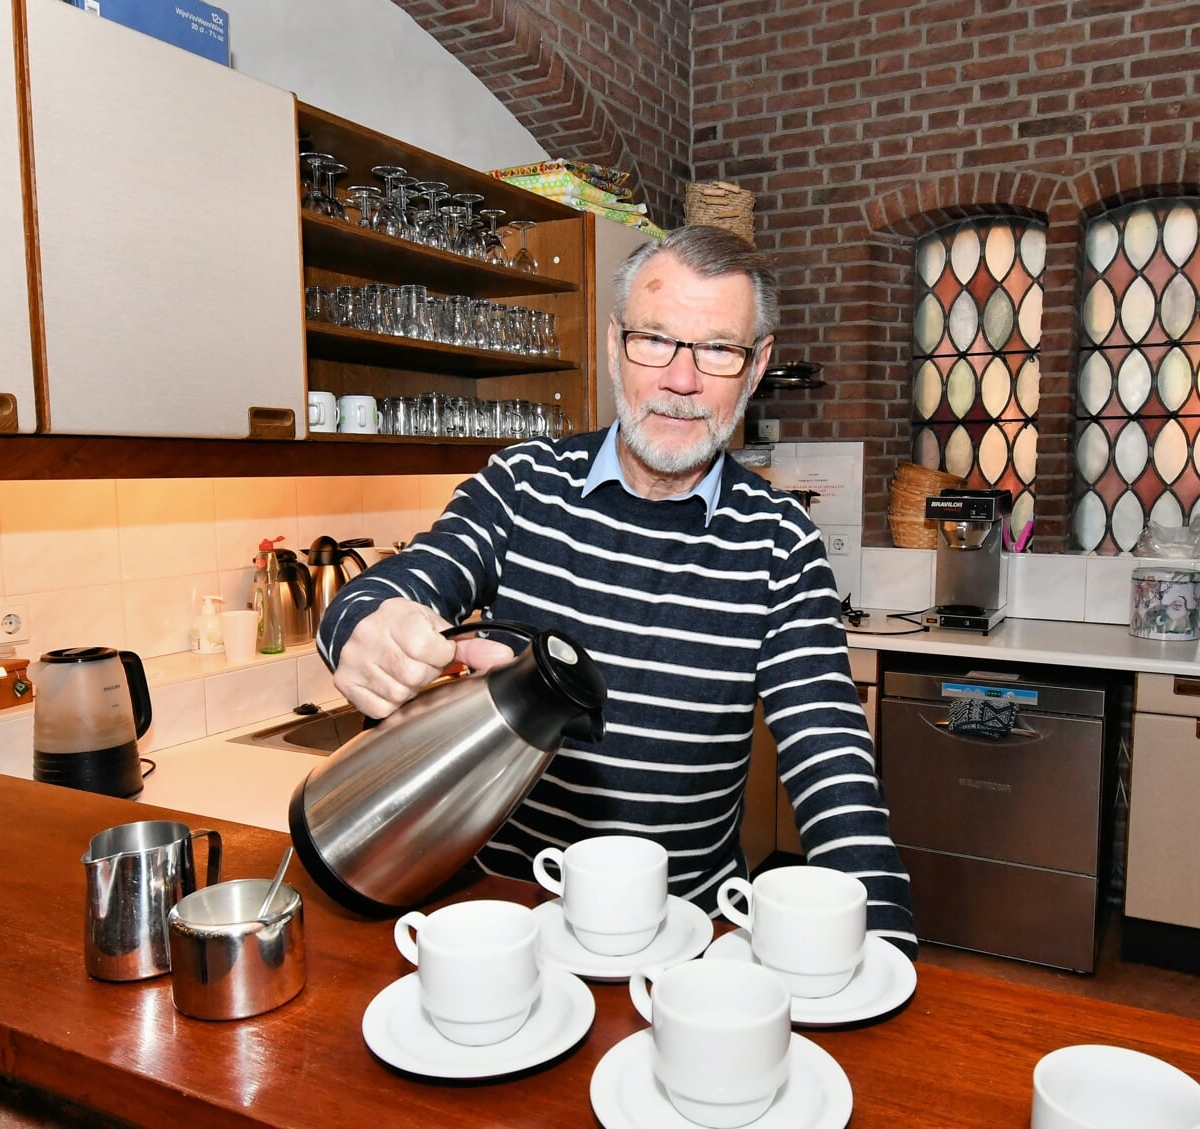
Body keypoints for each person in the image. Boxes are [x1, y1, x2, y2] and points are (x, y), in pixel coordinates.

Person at [317, 225, 915, 956]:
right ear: (612, 345)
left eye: (718, 349)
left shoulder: (780, 541)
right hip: (508, 921)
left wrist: (884, 950)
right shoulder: (522, 484)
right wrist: (362, 627)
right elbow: (402, 583)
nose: (681, 379)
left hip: (689, 940)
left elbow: (832, 763)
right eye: (655, 340)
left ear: (754, 368)